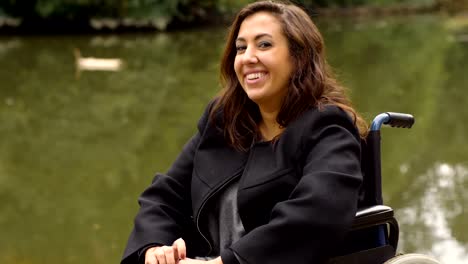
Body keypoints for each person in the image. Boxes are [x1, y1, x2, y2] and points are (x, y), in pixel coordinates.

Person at [121, 1, 368, 264]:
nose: (248, 57)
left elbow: (319, 211)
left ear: (299, 57)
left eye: (264, 45)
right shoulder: (222, 121)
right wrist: (154, 249)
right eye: (241, 47)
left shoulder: (328, 127)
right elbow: (165, 195)